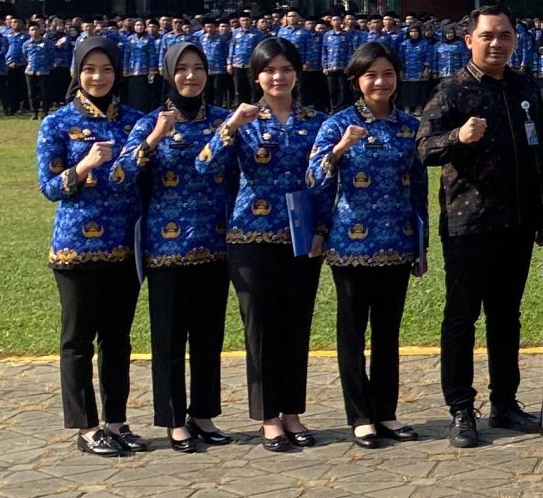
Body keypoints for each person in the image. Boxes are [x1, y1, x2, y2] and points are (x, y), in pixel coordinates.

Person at [419, 5, 543, 446]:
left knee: (506, 315)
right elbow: (423, 148)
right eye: (488, 36)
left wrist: (541, 208)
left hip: (517, 221)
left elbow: (537, 152)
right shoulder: (452, 90)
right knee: (462, 316)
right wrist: (456, 137)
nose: (497, 43)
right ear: (469, 40)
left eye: (505, 35)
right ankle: (461, 407)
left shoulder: (525, 86)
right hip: (469, 222)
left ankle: (505, 402)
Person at [202, 36, 325, 450]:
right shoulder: (242, 120)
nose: (278, 77)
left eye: (286, 69)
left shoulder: (316, 122)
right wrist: (230, 127)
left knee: (296, 324)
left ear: (297, 74)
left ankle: (292, 412)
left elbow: (326, 182)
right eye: (269, 70)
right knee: (260, 327)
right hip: (250, 237)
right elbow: (204, 167)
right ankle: (268, 416)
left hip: (301, 238)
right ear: (256, 76)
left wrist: (322, 230)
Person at [309, 40, 430, 449]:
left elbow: (418, 188)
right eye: (371, 75)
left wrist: (420, 245)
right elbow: (314, 179)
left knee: (387, 333)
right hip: (351, 245)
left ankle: (386, 412)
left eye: (388, 74)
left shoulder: (409, 126)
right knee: (352, 333)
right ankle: (360, 415)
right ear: (356, 80)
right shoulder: (337, 124)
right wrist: (340, 148)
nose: (380, 82)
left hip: (397, 241)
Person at [36, 33, 147, 458]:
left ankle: (117, 422)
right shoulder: (58, 123)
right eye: (89, 69)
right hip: (76, 249)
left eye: (106, 69)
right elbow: (50, 188)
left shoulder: (135, 121)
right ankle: (86, 426)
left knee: (118, 340)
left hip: (124, 245)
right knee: (78, 340)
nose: (98, 77)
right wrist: (83, 166)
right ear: (76, 73)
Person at [122, 39, 231, 451]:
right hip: (165, 248)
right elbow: (123, 171)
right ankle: (172, 419)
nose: (191, 76)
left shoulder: (222, 120)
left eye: (198, 68)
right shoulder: (150, 121)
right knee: (169, 338)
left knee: (208, 336)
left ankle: (203, 414)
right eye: (182, 68)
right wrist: (154, 138)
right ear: (169, 74)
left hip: (214, 242)